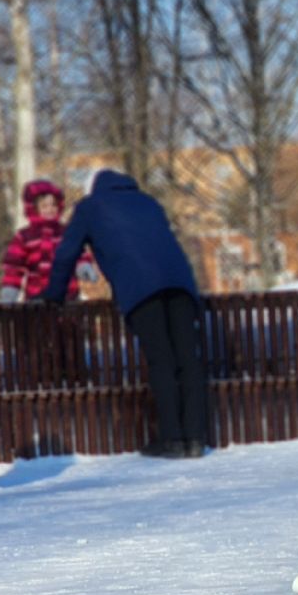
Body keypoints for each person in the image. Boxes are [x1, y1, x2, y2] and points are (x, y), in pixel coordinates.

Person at [42, 170, 209, 459]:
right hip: (181, 284)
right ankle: (194, 438)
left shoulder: (90, 207)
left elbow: (67, 252)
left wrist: (53, 295)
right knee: (187, 359)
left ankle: (172, 439)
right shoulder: (149, 202)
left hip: (141, 287)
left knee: (162, 360)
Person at [0, 180, 90, 303]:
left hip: (68, 294)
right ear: (34, 208)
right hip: (37, 295)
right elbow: (14, 267)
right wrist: (10, 289)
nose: (50, 209)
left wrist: (83, 266)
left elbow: (78, 252)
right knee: (40, 321)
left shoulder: (65, 232)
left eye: (53, 205)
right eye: (44, 206)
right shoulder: (25, 236)